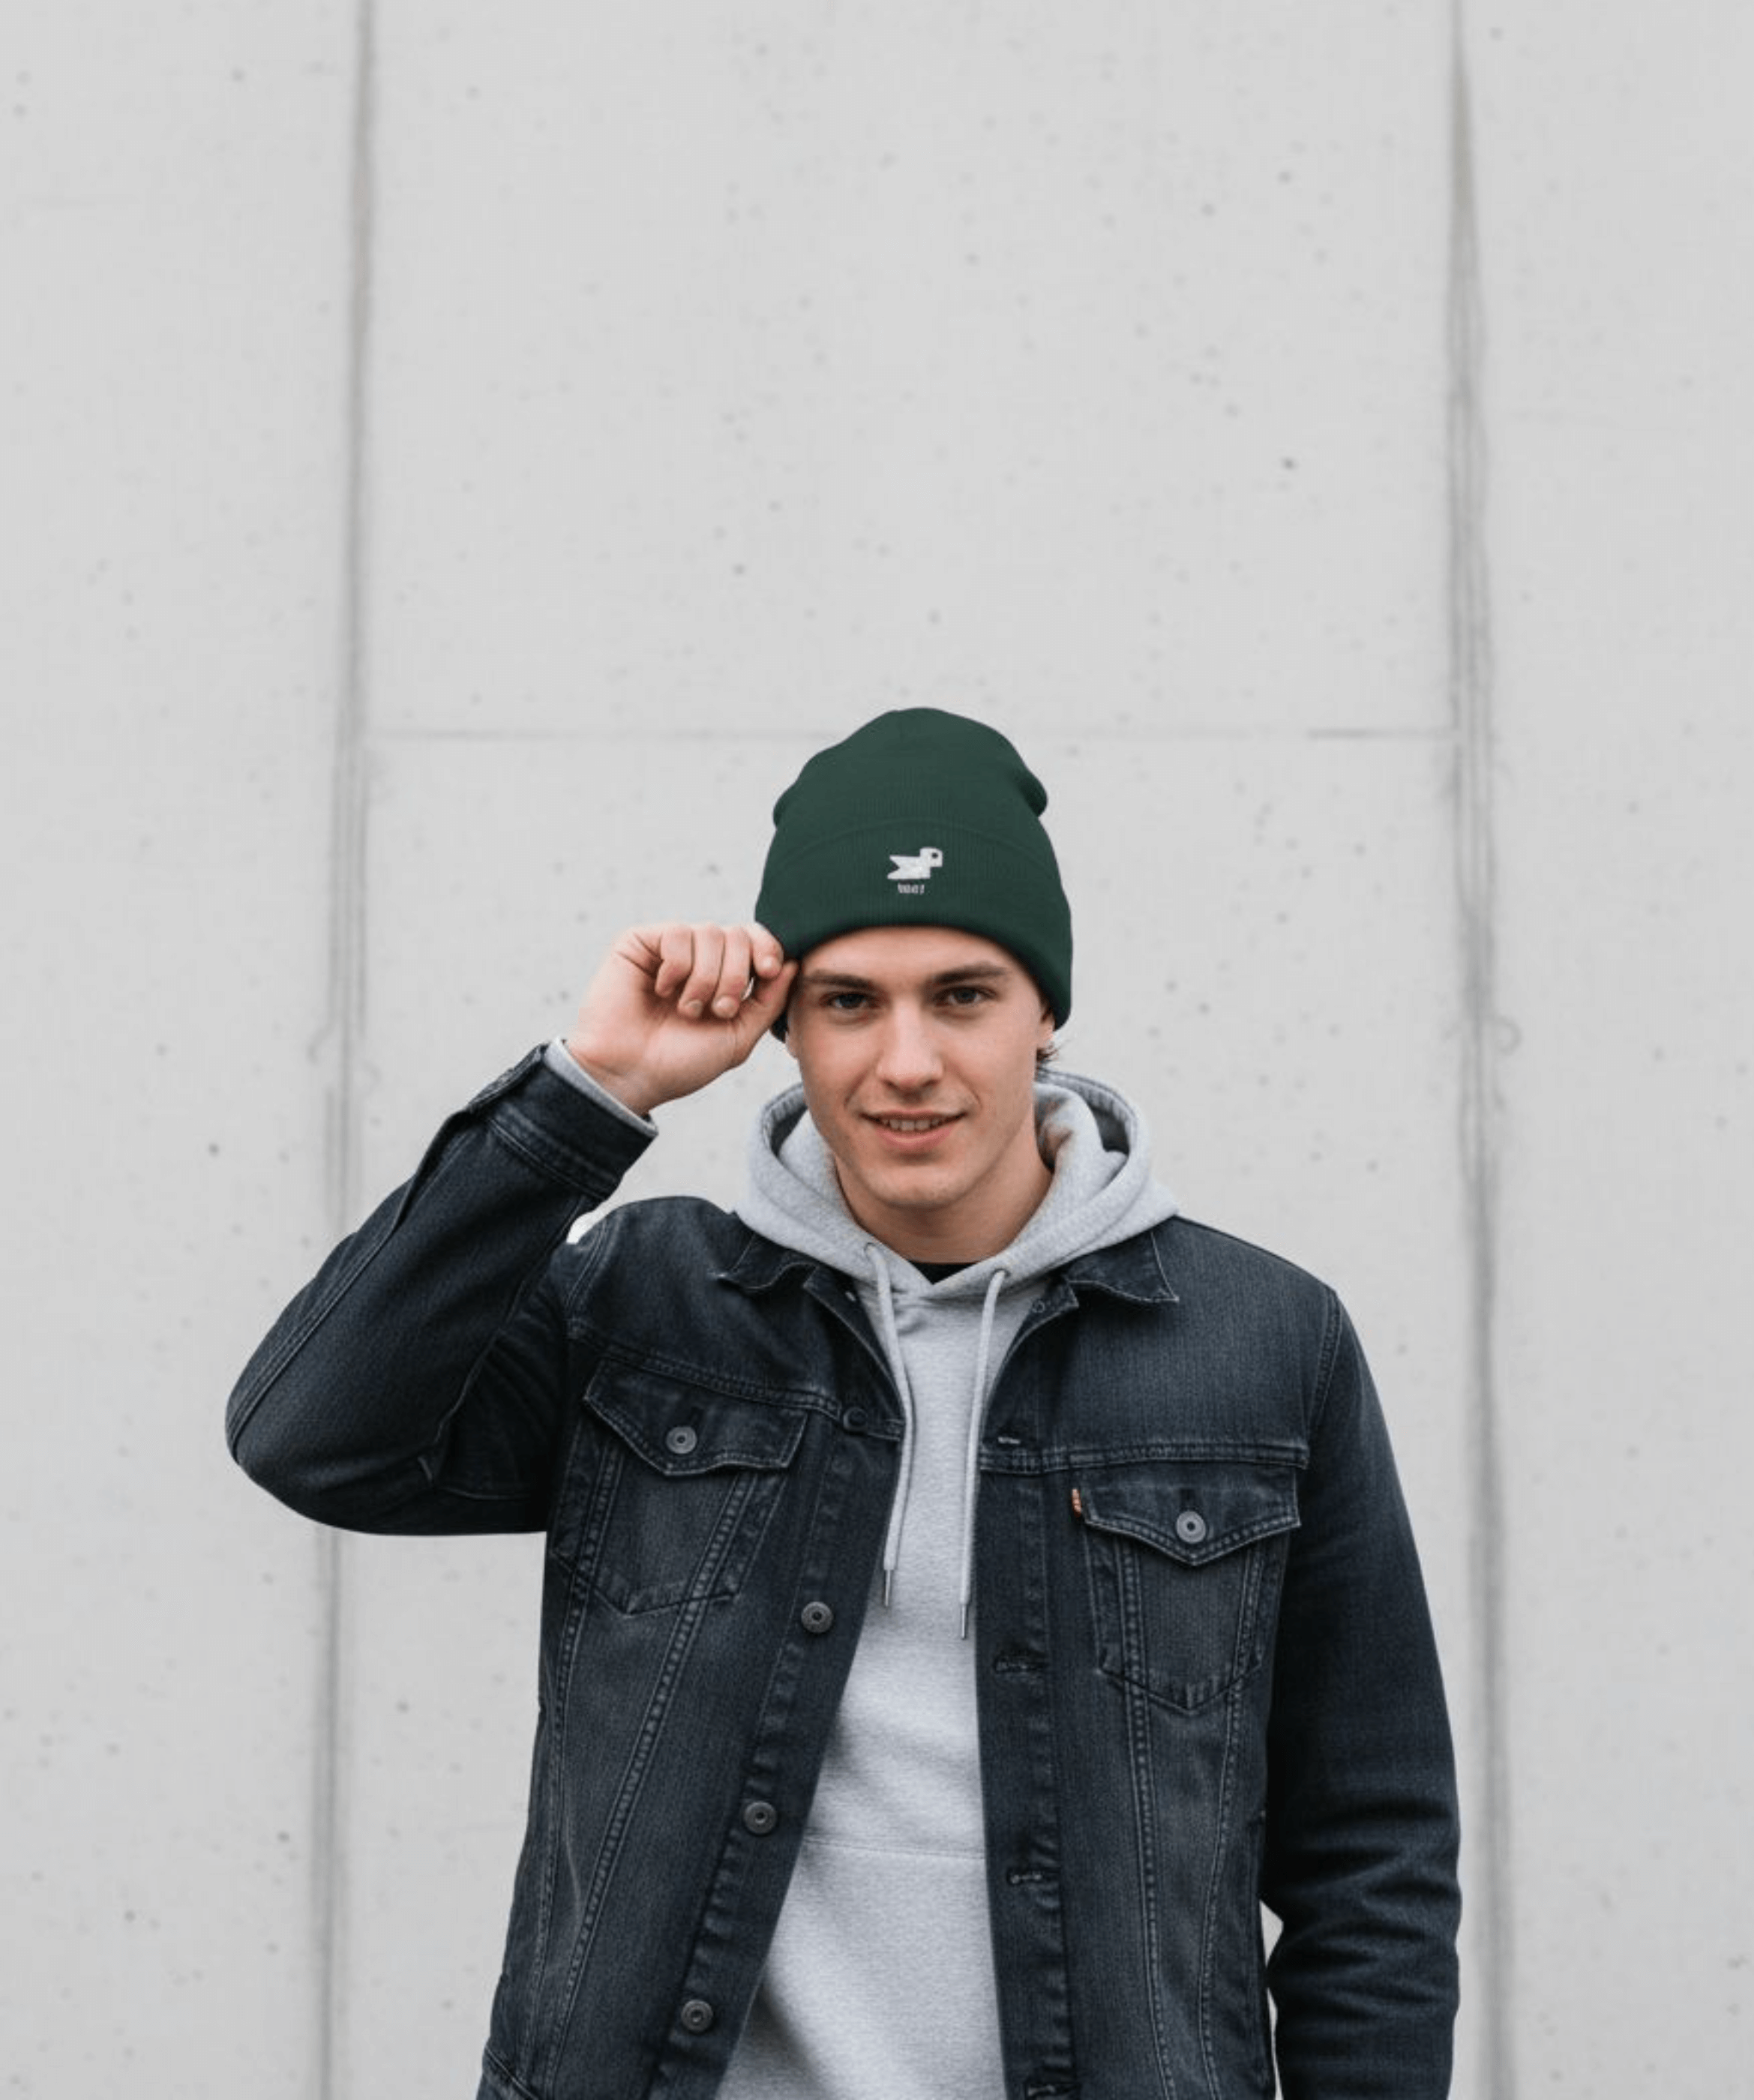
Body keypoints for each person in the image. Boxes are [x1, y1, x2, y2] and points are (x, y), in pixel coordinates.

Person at [227, 708, 1459, 2100]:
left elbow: (1374, 1853)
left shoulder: (1259, 1341)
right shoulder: (651, 1305)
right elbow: (313, 1433)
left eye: (964, 994)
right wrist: (595, 1093)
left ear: (1047, 1008)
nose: (907, 1062)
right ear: (781, 1022)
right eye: (851, 1000)